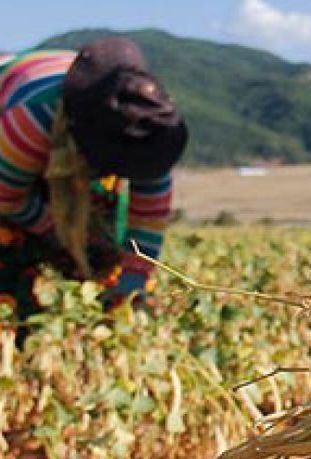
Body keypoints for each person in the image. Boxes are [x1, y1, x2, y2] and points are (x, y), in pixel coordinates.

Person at [0, 38, 188, 343]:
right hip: (10, 122)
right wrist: (59, 234)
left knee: (103, 242)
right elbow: (6, 199)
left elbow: (147, 220)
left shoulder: (151, 126)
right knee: (10, 250)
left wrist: (129, 289)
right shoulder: (32, 118)